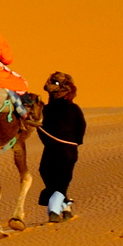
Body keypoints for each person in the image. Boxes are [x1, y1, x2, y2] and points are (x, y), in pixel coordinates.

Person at [37, 70, 86, 221]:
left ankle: (54, 211)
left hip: (60, 148)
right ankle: (65, 206)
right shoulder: (50, 108)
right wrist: (75, 142)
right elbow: (81, 127)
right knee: (51, 175)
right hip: (62, 149)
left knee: (60, 181)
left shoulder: (53, 109)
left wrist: (71, 142)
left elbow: (80, 126)